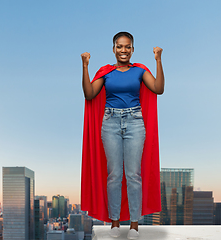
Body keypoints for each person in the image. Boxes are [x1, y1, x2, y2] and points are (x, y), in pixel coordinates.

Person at [81, 32, 164, 239]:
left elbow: (159, 89)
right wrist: (85, 67)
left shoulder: (139, 71)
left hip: (135, 122)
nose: (124, 50)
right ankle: (115, 224)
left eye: (127, 47)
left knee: (133, 175)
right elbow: (89, 94)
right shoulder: (106, 72)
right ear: (114, 49)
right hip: (110, 123)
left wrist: (158, 60)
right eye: (120, 46)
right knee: (114, 175)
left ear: (132, 50)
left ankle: (134, 226)